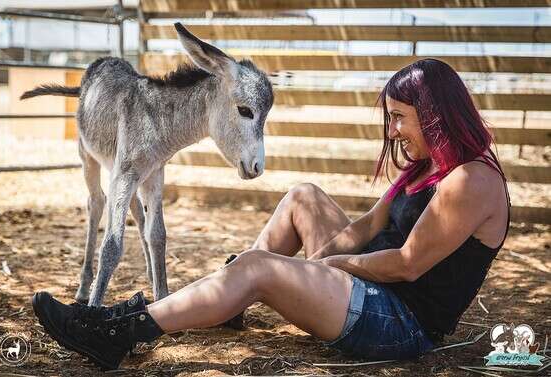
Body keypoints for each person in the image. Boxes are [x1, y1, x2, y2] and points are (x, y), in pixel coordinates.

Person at [31, 59, 510, 370]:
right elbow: (368, 226)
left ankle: (116, 330)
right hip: (372, 288)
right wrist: (310, 269)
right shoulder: (429, 168)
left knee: (260, 269)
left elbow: (408, 263)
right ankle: (228, 296)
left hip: (400, 323)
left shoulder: (471, 181)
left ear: (434, 115)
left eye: (400, 118)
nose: (394, 130)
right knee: (303, 195)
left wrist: (323, 268)